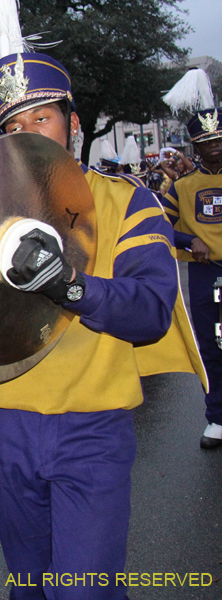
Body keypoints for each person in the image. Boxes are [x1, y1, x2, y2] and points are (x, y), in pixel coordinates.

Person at [0, 45, 205, 598]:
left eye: (42, 117)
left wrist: (67, 285)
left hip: (92, 426)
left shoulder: (130, 200)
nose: (28, 133)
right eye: (13, 125)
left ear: (72, 124)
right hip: (7, 425)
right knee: (28, 589)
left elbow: (149, 311)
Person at [159, 95, 222, 448]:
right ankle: (217, 416)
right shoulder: (182, 187)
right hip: (203, 273)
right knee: (211, 346)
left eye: (218, 139)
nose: (214, 146)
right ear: (195, 145)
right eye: (207, 141)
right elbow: (161, 226)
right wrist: (189, 238)